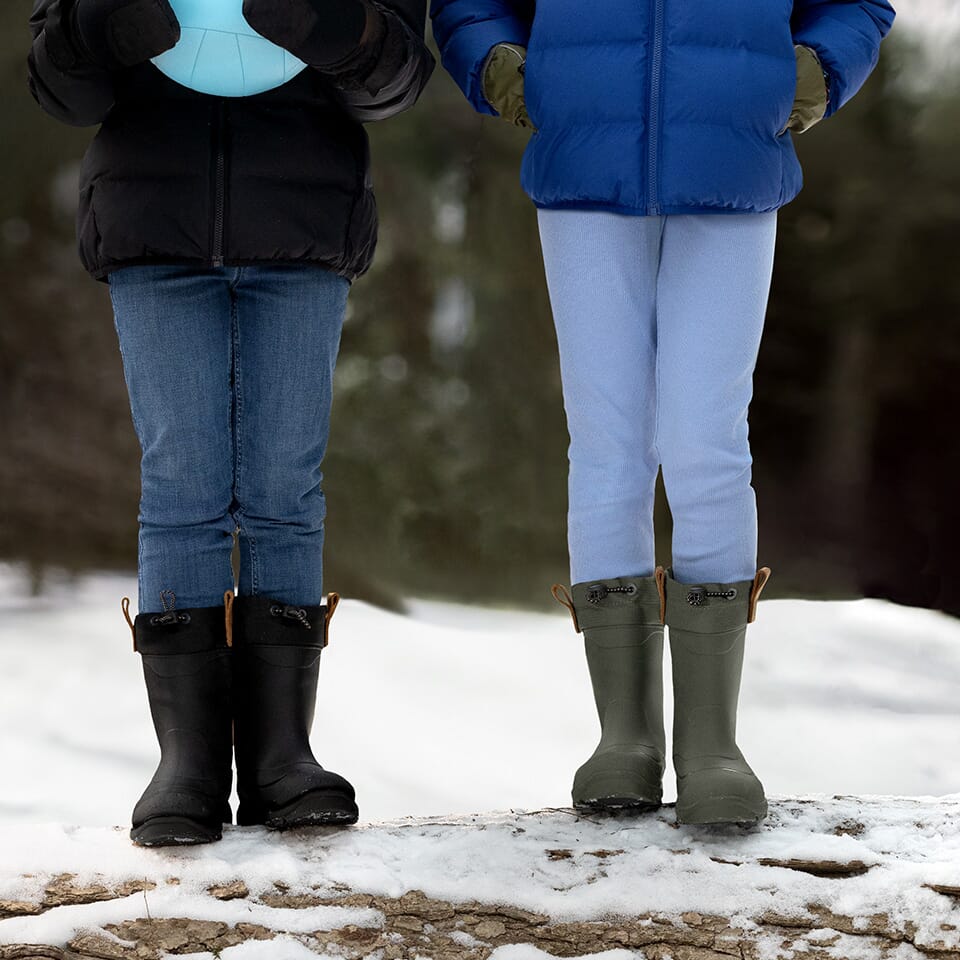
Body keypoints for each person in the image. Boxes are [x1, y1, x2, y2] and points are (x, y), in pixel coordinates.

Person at [431, 0, 894, 825]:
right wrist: (502, 62)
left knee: (705, 440)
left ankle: (712, 744)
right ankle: (625, 740)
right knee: (607, 445)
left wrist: (818, 66)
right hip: (583, 157)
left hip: (735, 153)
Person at [28, 0, 434, 846]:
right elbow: (57, 85)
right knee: (182, 483)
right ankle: (190, 766)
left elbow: (397, 80)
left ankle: (285, 761)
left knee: (286, 486)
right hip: (152, 228)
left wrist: (322, 24)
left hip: (304, 224)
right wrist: (117, 26)